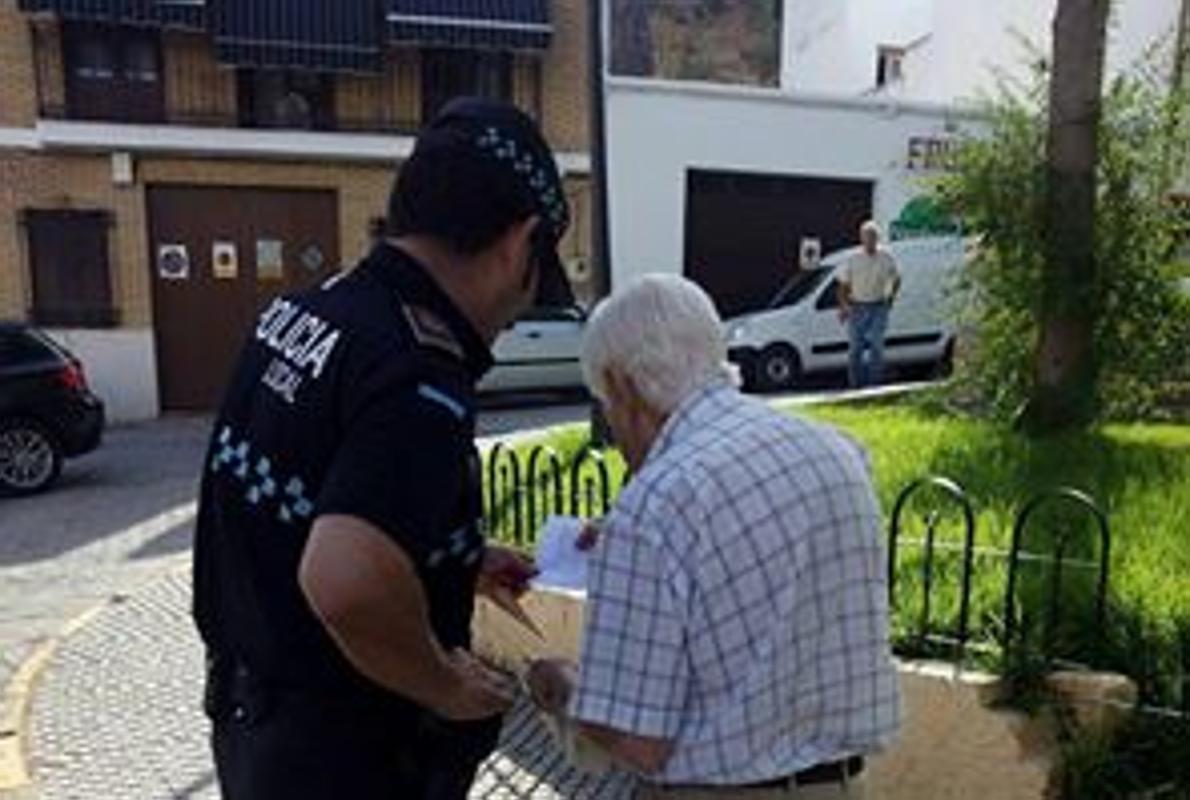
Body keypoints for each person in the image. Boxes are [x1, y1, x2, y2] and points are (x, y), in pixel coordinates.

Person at [192, 97, 575, 800]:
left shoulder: (307, 313)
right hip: (345, 755)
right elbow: (346, 579)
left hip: (253, 722)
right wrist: (444, 683)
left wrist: (453, 558)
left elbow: (309, 502)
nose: (518, 312)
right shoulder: (418, 376)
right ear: (520, 245)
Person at [527, 275, 901, 799]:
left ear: (622, 385)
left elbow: (638, 743)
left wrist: (563, 686)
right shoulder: (836, 449)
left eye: (604, 404)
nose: (612, 426)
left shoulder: (654, 506)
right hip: (841, 784)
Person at [837, 221, 901, 388]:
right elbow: (843, 285)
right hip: (857, 306)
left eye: (873, 237)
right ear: (861, 239)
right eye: (866, 237)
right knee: (855, 347)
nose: (870, 240)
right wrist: (843, 307)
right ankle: (855, 385)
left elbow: (897, 278)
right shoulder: (853, 259)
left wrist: (891, 298)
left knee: (876, 345)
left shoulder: (886, 257)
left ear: (877, 238)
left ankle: (874, 384)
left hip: (878, 305)